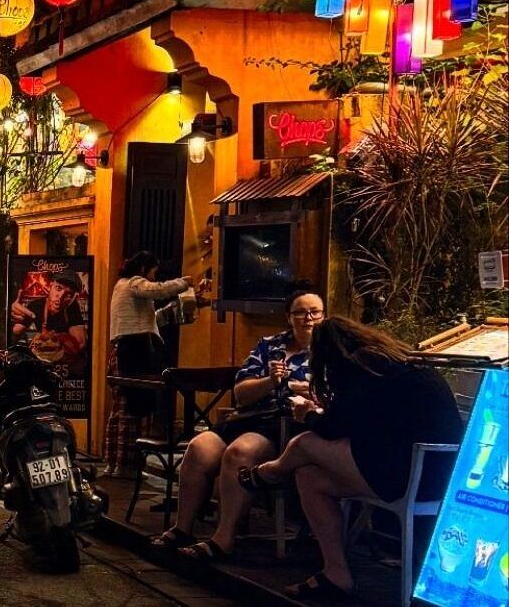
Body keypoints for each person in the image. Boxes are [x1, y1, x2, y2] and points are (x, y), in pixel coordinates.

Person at [241, 317, 463, 600]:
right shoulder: (398, 362)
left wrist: (306, 414)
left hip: (403, 475)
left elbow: (335, 427)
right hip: (438, 473)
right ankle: (336, 573)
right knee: (308, 476)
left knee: (305, 444)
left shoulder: (363, 366)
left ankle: (269, 473)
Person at [157, 289, 323, 559]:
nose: (308, 318)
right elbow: (241, 393)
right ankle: (182, 528)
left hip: (285, 427)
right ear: (288, 317)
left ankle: (223, 539)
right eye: (300, 312)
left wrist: (304, 390)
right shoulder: (270, 346)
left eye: (315, 312)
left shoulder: (328, 352)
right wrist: (270, 381)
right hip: (250, 417)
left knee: (239, 452)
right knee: (200, 447)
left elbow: (331, 395)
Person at [103, 251, 191, 476]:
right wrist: (183, 283)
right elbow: (156, 289)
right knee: (135, 410)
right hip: (134, 353)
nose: (154, 276)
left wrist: (170, 311)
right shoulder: (134, 282)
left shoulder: (121, 286)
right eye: (153, 271)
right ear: (143, 269)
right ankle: (126, 465)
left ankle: (115, 462)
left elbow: (147, 320)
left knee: (122, 409)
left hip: (124, 351)